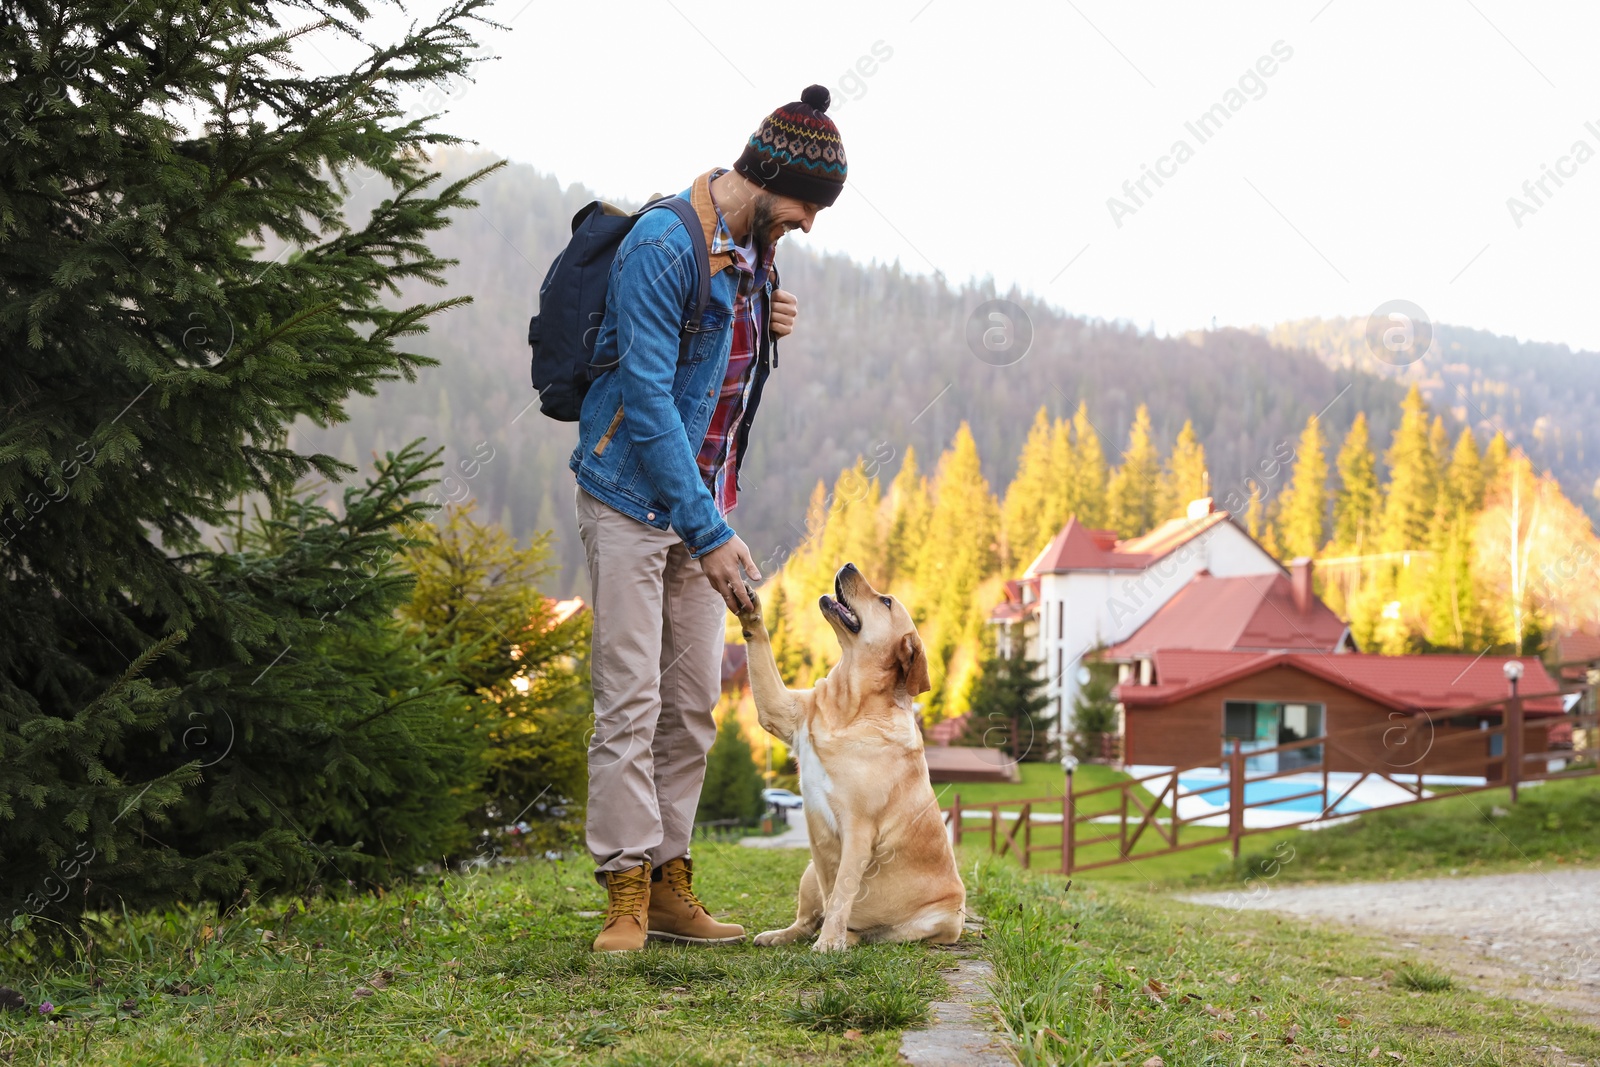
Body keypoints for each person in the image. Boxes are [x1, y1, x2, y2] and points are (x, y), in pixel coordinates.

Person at [568, 85, 847, 952]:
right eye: (804, 206)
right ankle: (622, 892)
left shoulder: (756, 255)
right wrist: (710, 531)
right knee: (628, 700)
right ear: (766, 178)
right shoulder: (663, 243)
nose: (807, 223)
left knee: (689, 706)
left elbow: (717, 373)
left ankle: (668, 885)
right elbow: (650, 404)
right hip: (630, 499)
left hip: (701, 507)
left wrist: (771, 321)